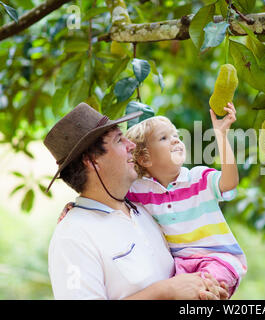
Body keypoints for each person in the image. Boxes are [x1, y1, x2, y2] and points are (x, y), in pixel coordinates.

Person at [45, 102, 228, 300]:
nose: (132, 145)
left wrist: (206, 289)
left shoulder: (145, 209)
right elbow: (172, 289)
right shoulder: (73, 236)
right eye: (119, 140)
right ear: (92, 160)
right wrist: (167, 291)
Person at [124, 103, 247, 297]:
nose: (175, 140)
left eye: (176, 136)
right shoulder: (140, 190)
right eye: (164, 138)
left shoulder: (198, 178)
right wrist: (78, 206)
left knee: (204, 286)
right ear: (145, 159)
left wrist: (221, 137)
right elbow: (110, 195)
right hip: (181, 264)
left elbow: (229, 183)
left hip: (218, 259)